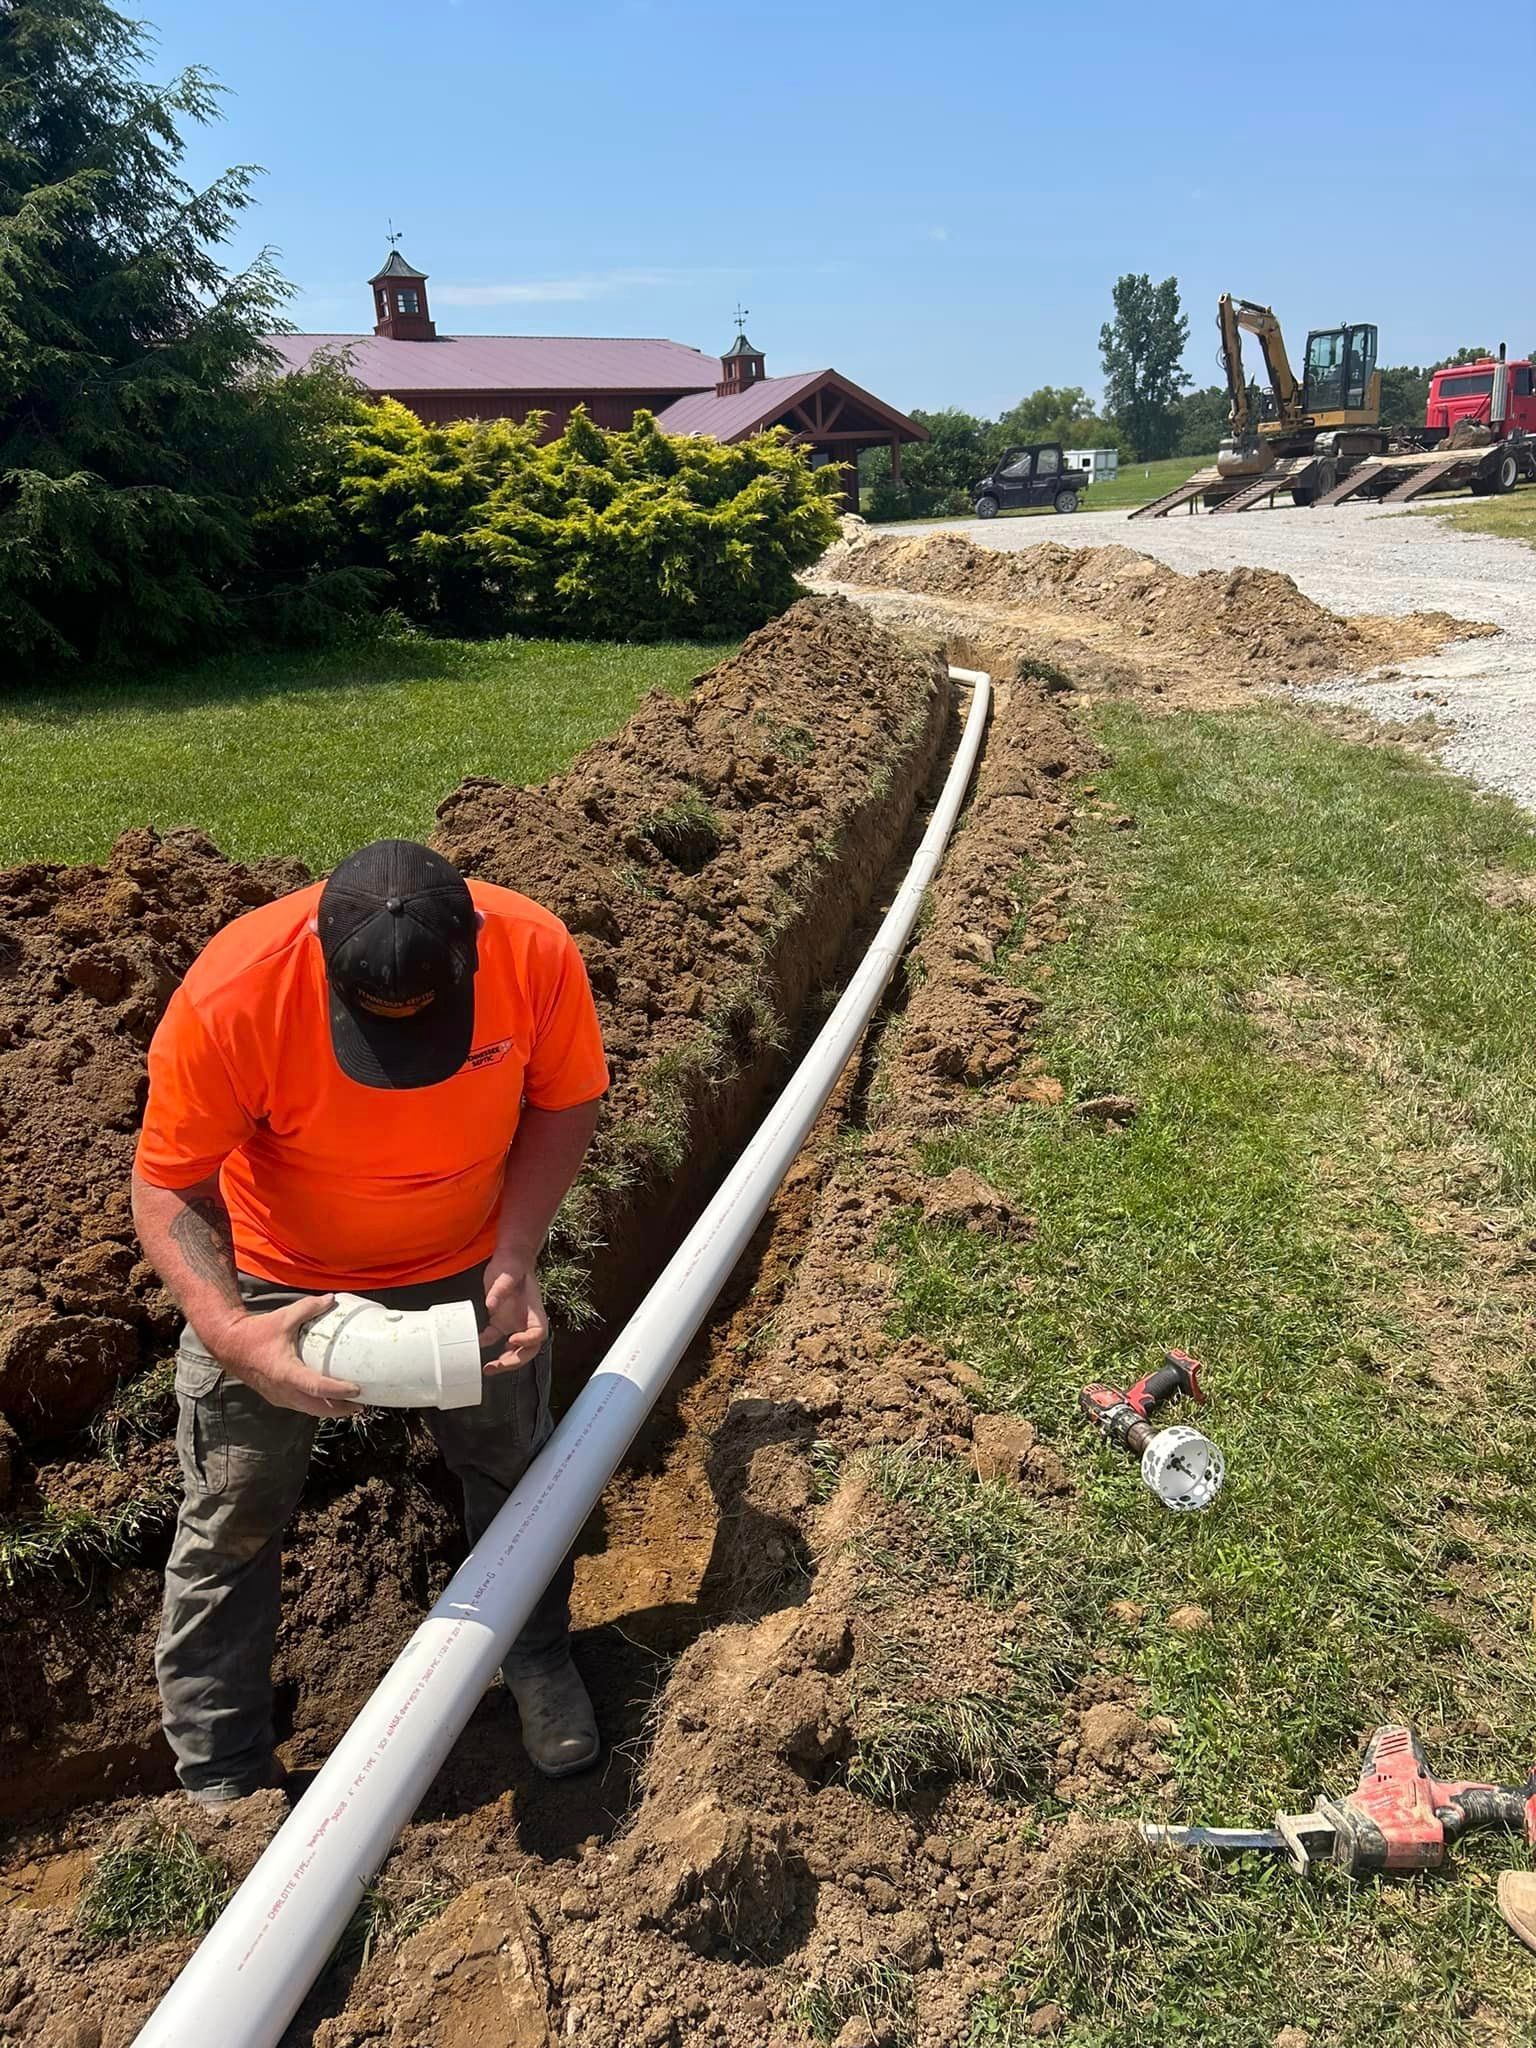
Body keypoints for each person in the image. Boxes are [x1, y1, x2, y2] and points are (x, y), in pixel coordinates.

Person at [131, 838, 608, 1807]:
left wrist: (517, 1252)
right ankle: (223, 1773)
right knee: (232, 1511)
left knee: (518, 1471)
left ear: (472, 946)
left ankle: (539, 1656)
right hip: (275, 1280)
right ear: (321, 954)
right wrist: (230, 1331)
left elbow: (567, 1100)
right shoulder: (236, 993)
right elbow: (165, 1181)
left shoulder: (535, 950)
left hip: (469, 1263)